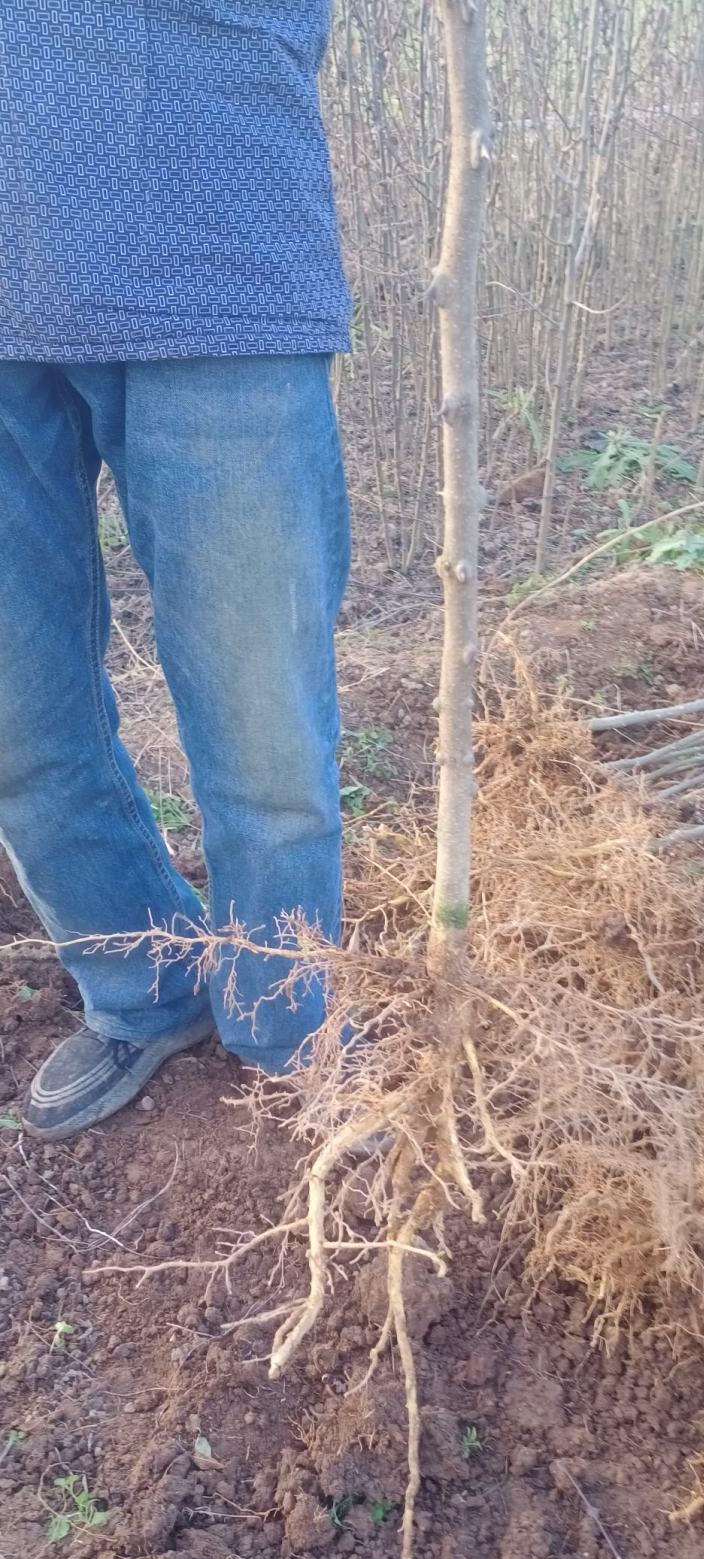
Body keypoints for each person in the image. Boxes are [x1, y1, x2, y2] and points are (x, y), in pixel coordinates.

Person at [0, 3, 352, 1140]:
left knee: (264, 726)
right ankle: (142, 986)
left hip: (218, 249)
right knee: (18, 718)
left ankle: (285, 1015)